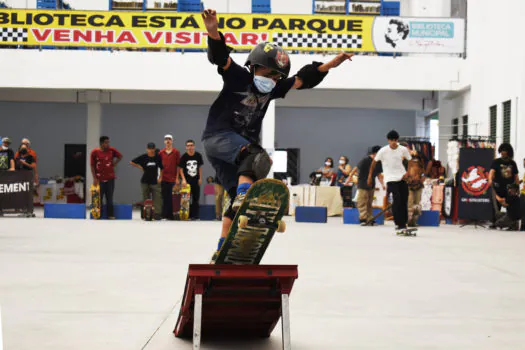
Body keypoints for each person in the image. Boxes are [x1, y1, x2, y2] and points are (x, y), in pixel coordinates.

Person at [200, 8, 353, 258]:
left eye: (276, 76)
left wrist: (329, 65)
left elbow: (303, 79)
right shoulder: (238, 77)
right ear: (254, 67)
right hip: (218, 137)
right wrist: (213, 31)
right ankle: (242, 198)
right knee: (257, 158)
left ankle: (222, 247)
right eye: (267, 73)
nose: (271, 79)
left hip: (235, 152)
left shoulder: (273, 88)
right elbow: (220, 58)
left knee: (238, 193)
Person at [368, 130, 412, 234]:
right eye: (391, 140)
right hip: (390, 178)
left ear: (397, 140)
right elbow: (374, 162)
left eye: (395, 140)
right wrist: (370, 176)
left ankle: (404, 223)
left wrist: (408, 172)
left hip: (402, 177)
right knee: (397, 199)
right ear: (388, 140)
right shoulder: (383, 151)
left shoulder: (403, 149)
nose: (393, 142)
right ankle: (399, 223)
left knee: (404, 200)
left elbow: (410, 160)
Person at [349, 146, 384, 225]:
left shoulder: (378, 162)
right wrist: (350, 177)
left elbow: (379, 174)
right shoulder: (365, 160)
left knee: (369, 203)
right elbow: (356, 168)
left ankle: (370, 218)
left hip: (371, 184)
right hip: (362, 184)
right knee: (362, 202)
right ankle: (363, 219)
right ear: (375, 153)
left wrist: (382, 184)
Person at [90, 136, 123, 220]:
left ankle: (110, 215)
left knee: (110, 197)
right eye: (106, 142)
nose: (108, 144)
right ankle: (98, 215)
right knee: (99, 198)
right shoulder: (94, 152)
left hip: (110, 178)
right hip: (99, 179)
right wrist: (94, 178)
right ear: (101, 143)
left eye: (108, 142)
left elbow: (120, 156)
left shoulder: (111, 150)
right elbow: (92, 165)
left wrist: (114, 163)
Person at [488, 143, 520, 228]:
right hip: (498, 187)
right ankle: (494, 222)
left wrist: (517, 188)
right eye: (501, 150)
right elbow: (491, 172)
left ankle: (512, 224)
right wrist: (490, 179)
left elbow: (516, 176)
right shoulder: (496, 162)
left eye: (504, 151)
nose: (502, 152)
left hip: (509, 188)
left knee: (510, 206)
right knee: (495, 206)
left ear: (508, 152)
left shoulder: (513, 163)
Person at [131, 142, 164, 220]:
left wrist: (160, 177)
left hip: (154, 181)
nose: (151, 150)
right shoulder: (144, 157)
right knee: (145, 198)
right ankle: (145, 213)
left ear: (154, 149)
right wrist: (140, 167)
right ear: (147, 149)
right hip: (145, 181)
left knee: (157, 198)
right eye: (149, 149)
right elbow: (132, 162)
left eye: (152, 149)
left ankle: (157, 214)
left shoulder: (157, 157)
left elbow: (162, 168)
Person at [179, 139, 204, 220]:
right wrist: (183, 179)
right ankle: (187, 216)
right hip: (187, 181)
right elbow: (180, 169)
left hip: (196, 180)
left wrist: (200, 178)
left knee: (196, 198)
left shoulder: (198, 155)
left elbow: (199, 168)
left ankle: (195, 216)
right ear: (186, 147)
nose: (190, 147)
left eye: (191, 145)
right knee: (186, 199)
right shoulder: (184, 157)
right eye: (188, 145)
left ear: (194, 146)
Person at [159, 134, 181, 220]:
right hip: (164, 178)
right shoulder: (161, 152)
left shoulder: (176, 152)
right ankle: (164, 214)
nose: (168, 141)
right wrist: (160, 177)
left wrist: (177, 178)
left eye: (169, 139)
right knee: (165, 196)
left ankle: (171, 215)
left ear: (172, 141)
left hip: (173, 178)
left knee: (172, 197)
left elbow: (178, 166)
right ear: (164, 141)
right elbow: (160, 166)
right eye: (166, 139)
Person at [404, 147, 426, 227]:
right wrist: (409, 179)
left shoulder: (421, 164)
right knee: (410, 204)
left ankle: (414, 221)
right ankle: (408, 221)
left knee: (417, 204)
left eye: (416, 156)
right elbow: (404, 174)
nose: (415, 158)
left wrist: (422, 178)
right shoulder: (407, 163)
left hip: (419, 186)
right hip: (409, 186)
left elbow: (423, 173)